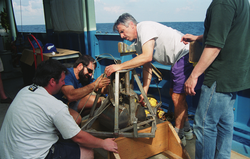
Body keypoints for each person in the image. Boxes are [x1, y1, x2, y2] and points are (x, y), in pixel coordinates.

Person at [105, 13, 204, 145]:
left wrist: (119, 66)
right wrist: (144, 91)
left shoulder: (144, 27)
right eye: (120, 33)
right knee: (175, 95)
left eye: (122, 31)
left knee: (176, 97)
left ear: (132, 25)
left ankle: (178, 136)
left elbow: (147, 57)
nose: (122, 36)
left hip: (184, 55)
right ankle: (187, 129)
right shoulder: (139, 42)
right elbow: (147, 67)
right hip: (177, 60)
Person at [0, 59, 118, 159]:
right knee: (87, 152)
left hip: (7, 152)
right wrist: (103, 143)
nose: (63, 83)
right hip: (32, 155)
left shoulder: (26, 90)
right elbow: (79, 137)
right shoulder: (55, 105)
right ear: (52, 81)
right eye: (62, 80)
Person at [181, 0, 250, 158]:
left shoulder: (222, 2)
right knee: (225, 124)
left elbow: (214, 45)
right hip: (236, 75)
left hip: (219, 76)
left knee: (204, 126)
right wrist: (198, 37)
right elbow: (226, 29)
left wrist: (194, 75)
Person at [55, 55, 110, 125]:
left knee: (98, 101)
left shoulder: (84, 77)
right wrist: (94, 84)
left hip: (71, 104)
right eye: (89, 71)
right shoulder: (66, 74)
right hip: (59, 106)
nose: (90, 74)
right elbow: (70, 95)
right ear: (80, 66)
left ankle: (78, 119)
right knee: (76, 119)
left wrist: (108, 84)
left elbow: (99, 89)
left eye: (92, 72)